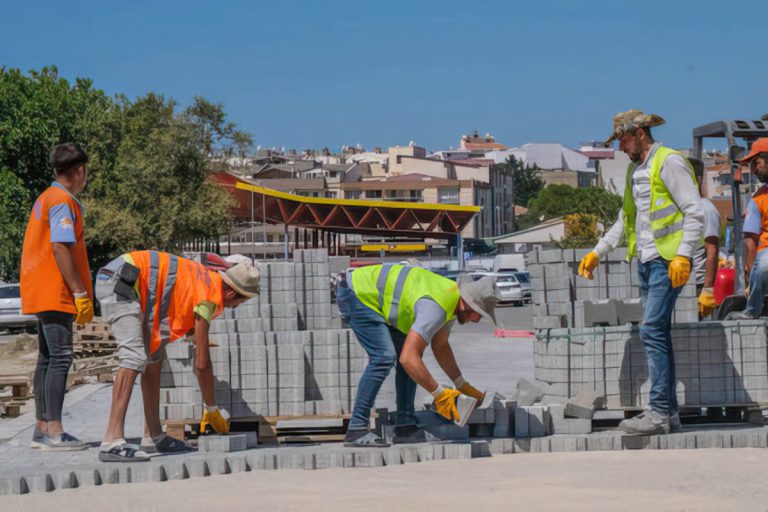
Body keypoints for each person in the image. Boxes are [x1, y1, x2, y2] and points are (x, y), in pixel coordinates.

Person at [578, 110, 703, 435]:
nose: (620, 146)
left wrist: (683, 256)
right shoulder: (637, 171)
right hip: (647, 262)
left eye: (622, 138)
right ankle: (669, 413)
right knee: (657, 332)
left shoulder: (669, 161)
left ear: (639, 133)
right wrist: (597, 251)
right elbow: (625, 220)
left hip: (667, 262)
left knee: (650, 330)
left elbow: (695, 211)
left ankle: (659, 412)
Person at [95, 251, 260, 461]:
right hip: (121, 280)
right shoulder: (209, 295)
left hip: (135, 283)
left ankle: (153, 436)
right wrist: (211, 407)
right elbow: (202, 364)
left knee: (154, 358)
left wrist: (193, 334)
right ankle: (111, 440)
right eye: (239, 302)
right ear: (231, 294)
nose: (235, 307)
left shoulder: (207, 281)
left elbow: (178, 299)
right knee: (133, 357)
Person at [335, 263, 498, 447]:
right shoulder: (436, 307)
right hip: (358, 293)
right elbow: (407, 358)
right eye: (479, 314)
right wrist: (440, 395)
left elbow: (441, 346)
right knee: (384, 357)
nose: (477, 320)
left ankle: (405, 426)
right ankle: (356, 429)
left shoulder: (452, 304)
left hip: (382, 299)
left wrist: (462, 385)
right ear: (467, 303)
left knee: (412, 358)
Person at [21, 143, 93, 451]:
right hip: (55, 290)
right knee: (61, 358)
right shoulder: (63, 201)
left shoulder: (45, 197)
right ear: (79, 171)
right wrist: (79, 292)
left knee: (47, 358)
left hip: (40, 288)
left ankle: (41, 427)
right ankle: (54, 430)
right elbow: (61, 247)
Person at [727, 138, 768, 319]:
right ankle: (753, 309)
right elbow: (750, 242)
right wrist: (750, 276)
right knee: (765, 263)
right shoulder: (757, 200)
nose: (753, 169)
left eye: (756, 163)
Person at [687, 158, 721, 318]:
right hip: (680, 283)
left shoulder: (706, 210)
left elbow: (712, 251)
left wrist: (707, 289)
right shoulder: (680, 207)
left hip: (697, 286)